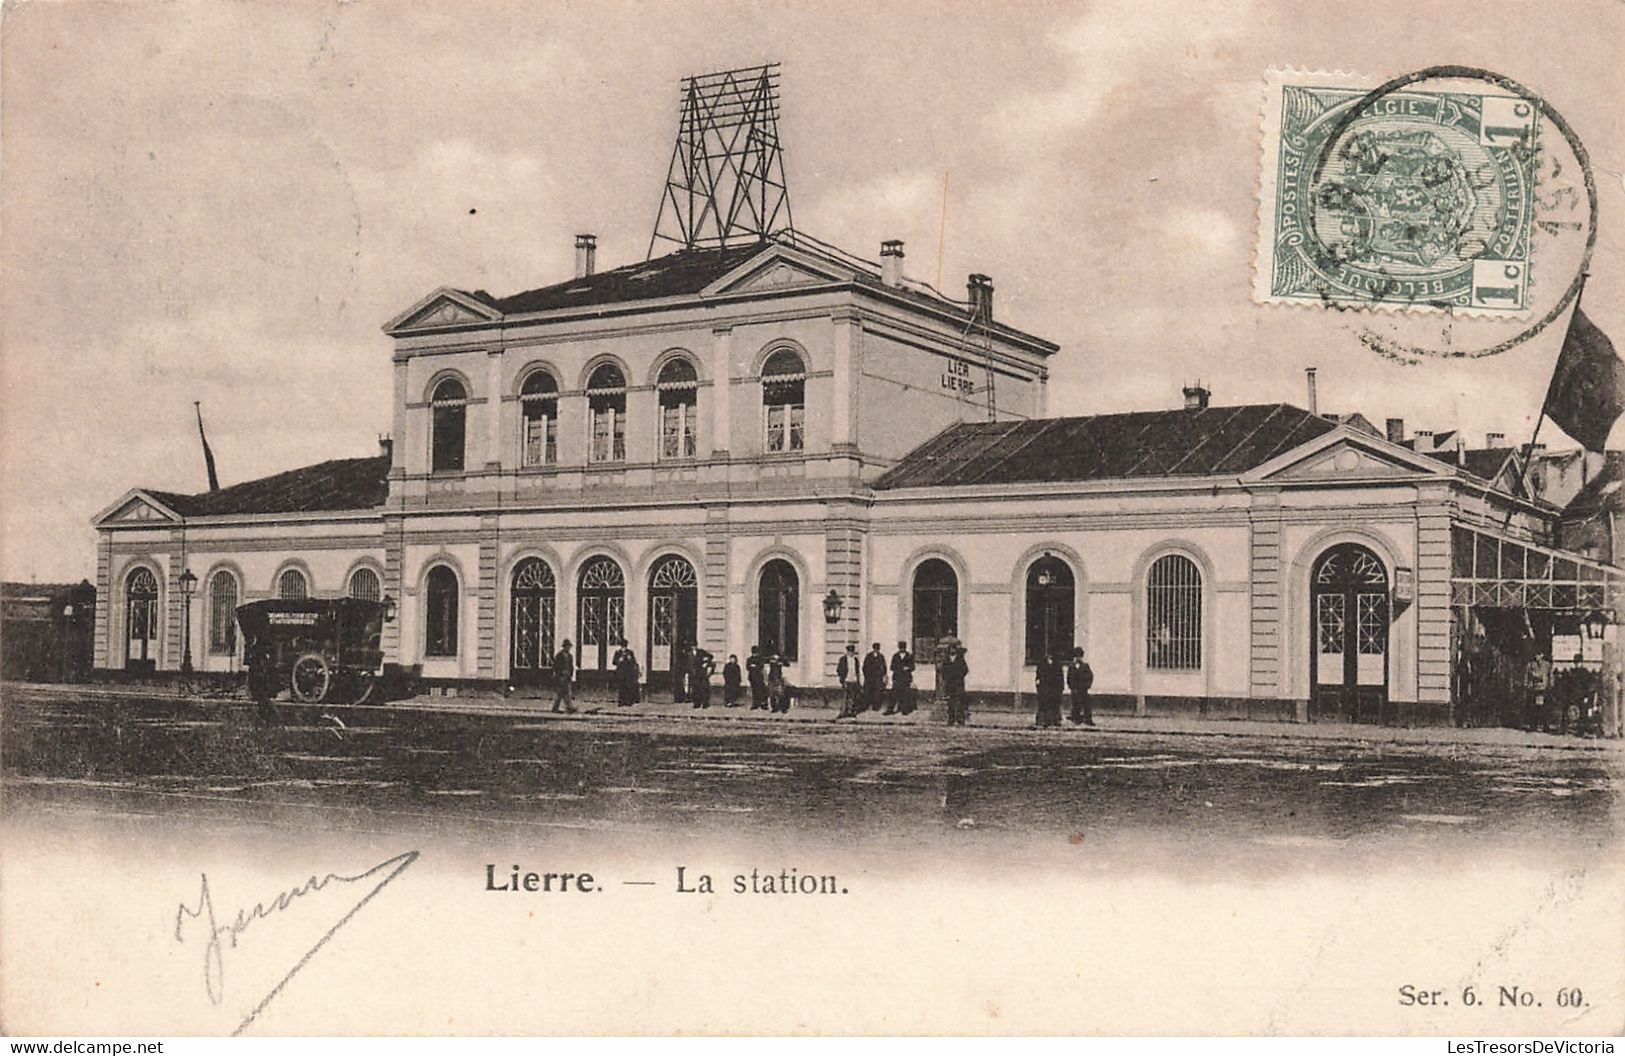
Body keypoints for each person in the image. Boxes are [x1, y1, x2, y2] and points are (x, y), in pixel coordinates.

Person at [1034, 650, 1064, 727]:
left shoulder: (1057, 664)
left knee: (1055, 705)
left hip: (1055, 688)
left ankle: (1055, 720)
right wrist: (1039, 686)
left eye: (1051, 654)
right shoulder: (1041, 664)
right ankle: (1043, 721)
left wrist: (1061, 687)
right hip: (1044, 687)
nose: (1049, 656)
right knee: (1043, 705)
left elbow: (1061, 677)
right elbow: (1038, 676)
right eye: (1048, 654)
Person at [941, 645, 969, 726]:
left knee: (959, 702)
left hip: (958, 684)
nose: (952, 651)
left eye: (953, 649)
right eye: (951, 650)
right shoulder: (946, 660)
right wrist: (947, 677)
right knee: (950, 702)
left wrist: (959, 676)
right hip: (949, 684)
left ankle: (960, 720)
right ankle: (951, 719)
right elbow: (943, 671)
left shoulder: (960, 659)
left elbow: (965, 670)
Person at [1067, 647, 1095, 726]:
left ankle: (1088, 719)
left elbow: (1090, 677)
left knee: (1086, 705)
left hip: (1083, 689)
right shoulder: (1072, 667)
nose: (1078, 658)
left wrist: (1087, 686)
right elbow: (1069, 678)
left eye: (1079, 656)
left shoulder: (1085, 666)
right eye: (1076, 656)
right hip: (1075, 690)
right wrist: (1072, 688)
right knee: (1076, 704)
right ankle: (1076, 719)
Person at [889, 640, 916, 715]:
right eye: (900, 648)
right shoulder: (895, 656)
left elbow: (913, 667)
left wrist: (907, 668)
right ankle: (890, 709)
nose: (902, 649)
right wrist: (898, 668)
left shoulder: (909, 656)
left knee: (905, 695)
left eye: (903, 648)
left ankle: (905, 710)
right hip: (897, 677)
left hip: (906, 678)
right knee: (894, 694)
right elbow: (891, 667)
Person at [862, 642, 888, 715]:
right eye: (875, 649)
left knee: (877, 693)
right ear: (873, 649)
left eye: (877, 649)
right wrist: (867, 675)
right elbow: (864, 667)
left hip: (877, 678)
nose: (876, 650)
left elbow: (884, 667)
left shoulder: (881, 657)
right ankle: (866, 706)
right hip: (870, 678)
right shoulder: (868, 656)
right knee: (868, 692)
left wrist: (883, 675)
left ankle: (876, 706)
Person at [551, 639, 577, 714]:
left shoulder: (570, 656)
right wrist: (559, 674)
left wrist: (570, 675)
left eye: (569, 647)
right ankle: (568, 708)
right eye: (568, 646)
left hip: (567, 676)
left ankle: (562, 708)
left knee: (564, 693)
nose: (569, 648)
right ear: (564, 647)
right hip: (561, 677)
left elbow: (571, 666)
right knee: (563, 693)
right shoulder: (559, 655)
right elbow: (556, 666)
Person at [836, 644, 861, 719]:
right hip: (846, 680)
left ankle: (851, 712)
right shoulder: (843, 659)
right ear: (847, 652)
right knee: (845, 697)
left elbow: (857, 671)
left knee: (853, 697)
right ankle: (843, 712)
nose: (851, 653)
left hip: (853, 680)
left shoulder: (855, 660)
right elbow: (839, 669)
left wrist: (858, 680)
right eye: (849, 652)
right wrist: (842, 678)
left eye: (852, 652)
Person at [614, 640, 640, 707]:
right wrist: (619, 660)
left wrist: (630, 659)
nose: (624, 648)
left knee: (628, 687)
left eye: (625, 647)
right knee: (621, 688)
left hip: (628, 673)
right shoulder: (618, 653)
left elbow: (634, 662)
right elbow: (614, 662)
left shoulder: (630, 652)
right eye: (623, 647)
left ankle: (628, 702)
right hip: (620, 673)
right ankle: (621, 702)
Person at [690, 645, 716, 709]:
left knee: (703, 689)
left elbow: (710, 656)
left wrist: (706, 663)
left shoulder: (701, 652)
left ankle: (705, 703)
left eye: (695, 645)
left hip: (702, 674)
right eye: (692, 646)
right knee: (695, 689)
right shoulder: (689, 654)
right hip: (694, 674)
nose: (694, 647)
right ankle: (696, 703)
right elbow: (688, 664)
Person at [746, 645, 769, 710]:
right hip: (752, 678)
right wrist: (754, 666)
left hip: (759, 677)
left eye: (756, 652)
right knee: (754, 691)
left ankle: (762, 704)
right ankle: (755, 704)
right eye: (754, 652)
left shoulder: (760, 659)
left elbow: (760, 666)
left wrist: (753, 666)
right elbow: (748, 667)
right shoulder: (749, 659)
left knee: (761, 691)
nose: (755, 654)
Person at [672, 640, 692, 704]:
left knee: (685, 684)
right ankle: (681, 698)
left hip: (685, 670)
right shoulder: (683, 654)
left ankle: (684, 697)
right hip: (682, 671)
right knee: (682, 684)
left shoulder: (687, 654)